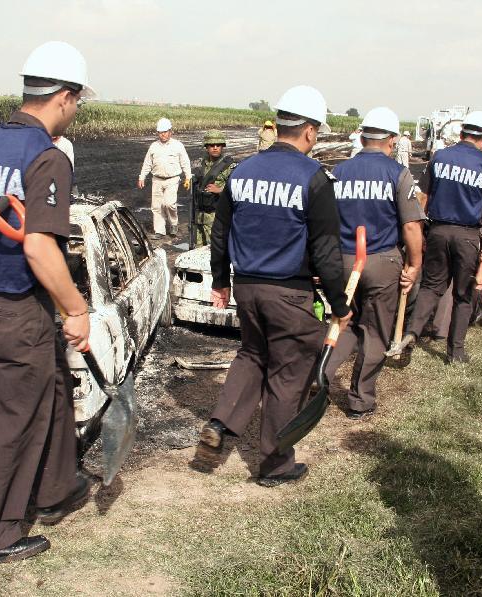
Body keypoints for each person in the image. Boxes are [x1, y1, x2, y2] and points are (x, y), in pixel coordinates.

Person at [0, 41, 94, 568]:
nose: (76, 111)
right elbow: (39, 244)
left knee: (54, 389)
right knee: (15, 419)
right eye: (77, 101)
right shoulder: (48, 156)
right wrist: (75, 308)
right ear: (64, 96)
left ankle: (57, 488)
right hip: (20, 306)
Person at [198, 85, 353, 487]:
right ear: (309, 131)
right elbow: (326, 251)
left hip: (247, 288)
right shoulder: (314, 178)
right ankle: (274, 465)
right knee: (288, 371)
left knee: (252, 354)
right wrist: (339, 304)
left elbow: (221, 232)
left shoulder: (244, 170)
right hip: (289, 292)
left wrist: (221, 281)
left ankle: (220, 421)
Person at [323, 107, 424, 419]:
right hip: (381, 260)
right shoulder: (397, 174)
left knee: (344, 321)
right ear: (391, 141)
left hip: (342, 260)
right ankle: (360, 400)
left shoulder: (338, 172)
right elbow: (410, 226)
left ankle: (320, 375)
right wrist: (414, 264)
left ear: (363, 136)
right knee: (376, 330)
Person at [398, 111, 482, 364]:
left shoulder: (439, 157)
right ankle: (455, 351)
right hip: (467, 236)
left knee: (431, 287)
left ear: (462, 132)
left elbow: (422, 196)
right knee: (463, 294)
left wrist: (422, 230)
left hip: (437, 230)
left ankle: (412, 332)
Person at [138, 118, 192, 239]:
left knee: (169, 204)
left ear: (170, 131)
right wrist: (142, 177)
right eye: (160, 132)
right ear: (158, 133)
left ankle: (173, 224)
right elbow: (147, 163)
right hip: (157, 179)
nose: (163, 134)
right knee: (156, 206)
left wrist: (188, 177)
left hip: (172, 179)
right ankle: (159, 231)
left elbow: (185, 162)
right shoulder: (153, 146)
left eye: (165, 131)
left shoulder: (178, 145)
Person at [192, 130, 236, 246]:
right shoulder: (201, 163)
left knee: (215, 250)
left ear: (223, 147)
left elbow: (237, 190)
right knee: (197, 251)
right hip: (199, 216)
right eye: (212, 145)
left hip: (216, 216)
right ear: (206, 147)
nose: (215, 148)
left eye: (218, 145)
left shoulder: (229, 166)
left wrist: (220, 190)